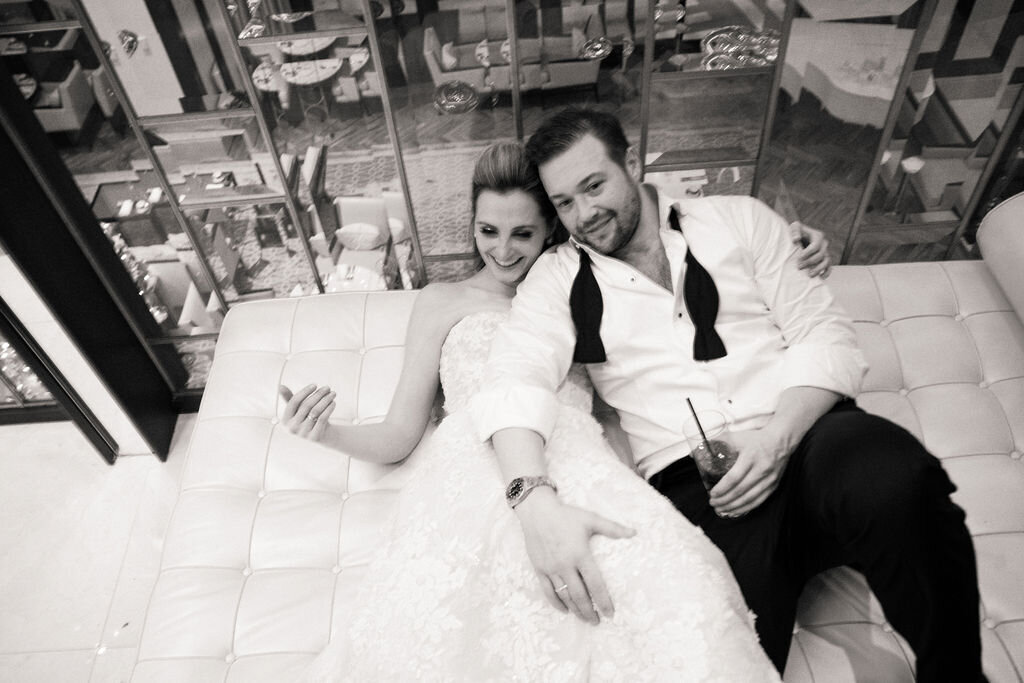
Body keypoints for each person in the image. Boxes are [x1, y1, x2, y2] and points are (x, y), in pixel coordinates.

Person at [471, 108, 984, 682]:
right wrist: (533, 500)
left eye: (595, 186)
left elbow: (825, 334)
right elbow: (514, 380)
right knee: (722, 651)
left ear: (632, 163)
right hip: (697, 487)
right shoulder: (558, 279)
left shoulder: (740, 220)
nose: (585, 215)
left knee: (897, 478)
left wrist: (776, 442)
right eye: (564, 203)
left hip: (808, 432)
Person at [287, 142, 830, 681]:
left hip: (578, 455)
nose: (502, 251)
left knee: (679, 588)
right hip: (474, 465)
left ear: (551, 227)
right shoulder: (442, 301)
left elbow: (666, 278)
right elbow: (400, 434)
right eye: (488, 231)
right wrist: (326, 432)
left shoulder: (585, 283)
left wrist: (794, 244)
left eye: (522, 233)